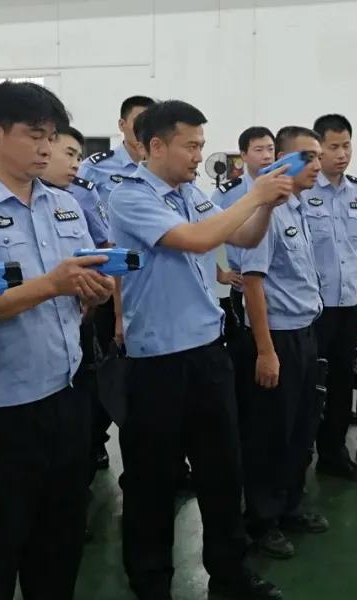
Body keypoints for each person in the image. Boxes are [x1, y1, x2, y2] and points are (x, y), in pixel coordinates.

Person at [0, 81, 115, 600]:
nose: (46, 148)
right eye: (35, 135)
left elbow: (81, 284)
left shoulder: (64, 204)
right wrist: (52, 285)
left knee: (58, 546)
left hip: (67, 396)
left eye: (51, 137)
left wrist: (94, 291)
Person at [109, 99, 291, 600]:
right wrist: (254, 195)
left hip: (208, 354)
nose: (198, 156)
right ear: (156, 146)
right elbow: (193, 240)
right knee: (152, 482)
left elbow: (243, 236)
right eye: (190, 146)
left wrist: (266, 205)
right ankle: (151, 583)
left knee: (222, 472)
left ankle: (229, 575)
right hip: (157, 362)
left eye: (201, 145)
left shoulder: (192, 194)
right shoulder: (130, 196)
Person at [240, 126, 328, 559]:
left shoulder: (298, 207)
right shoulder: (268, 213)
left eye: (318, 156)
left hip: (305, 331)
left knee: (301, 426)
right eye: (307, 157)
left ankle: (290, 505)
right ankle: (262, 521)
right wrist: (265, 351)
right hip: (278, 337)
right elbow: (252, 283)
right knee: (270, 432)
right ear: (283, 162)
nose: (317, 165)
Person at [40, 124, 117, 471]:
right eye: (69, 154)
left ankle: (89, 451)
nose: (76, 164)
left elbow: (101, 249)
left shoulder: (77, 197)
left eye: (78, 157)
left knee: (85, 393)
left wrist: (99, 292)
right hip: (30, 339)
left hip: (77, 320)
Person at [306, 113, 357, 483]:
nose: (342, 154)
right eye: (333, 147)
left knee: (341, 383)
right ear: (318, 149)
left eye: (346, 145)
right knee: (309, 387)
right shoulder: (302, 192)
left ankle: (334, 454)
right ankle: (299, 461)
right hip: (311, 311)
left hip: (348, 305)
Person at [213, 126, 276, 329]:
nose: (266, 156)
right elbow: (205, 231)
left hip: (282, 287)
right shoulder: (228, 194)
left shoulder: (286, 187)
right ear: (243, 155)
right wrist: (220, 273)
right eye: (259, 150)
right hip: (245, 285)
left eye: (270, 149)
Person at [78, 95, 155, 203]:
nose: (143, 129)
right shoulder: (95, 167)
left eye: (150, 123)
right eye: (138, 122)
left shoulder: (162, 168)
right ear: (122, 125)